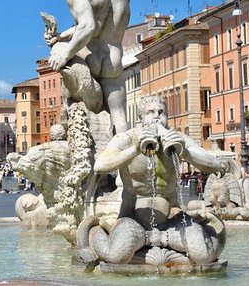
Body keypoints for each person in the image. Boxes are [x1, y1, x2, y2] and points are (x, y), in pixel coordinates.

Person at [79, 95, 228, 266]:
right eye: (150, 112)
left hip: (172, 218)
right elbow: (100, 166)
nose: (156, 116)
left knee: (203, 256)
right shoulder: (126, 139)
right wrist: (135, 149)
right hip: (134, 219)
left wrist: (185, 153)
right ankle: (96, 231)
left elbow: (214, 164)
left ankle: (204, 232)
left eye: (161, 112)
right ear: (140, 118)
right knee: (115, 256)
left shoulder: (178, 138)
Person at [45, 0, 131, 135]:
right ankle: (124, 163)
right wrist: (61, 36)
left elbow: (88, 26)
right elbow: (97, 23)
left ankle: (71, 143)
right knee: (119, 119)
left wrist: (63, 53)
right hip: (114, 56)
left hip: (90, 56)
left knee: (73, 103)